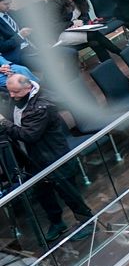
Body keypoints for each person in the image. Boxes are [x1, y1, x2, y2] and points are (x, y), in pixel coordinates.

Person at [5, 73, 95, 240]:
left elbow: (29, 135)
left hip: (53, 157)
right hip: (33, 159)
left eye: (15, 92)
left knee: (69, 192)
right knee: (43, 194)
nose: (12, 95)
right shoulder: (17, 98)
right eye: (10, 91)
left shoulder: (43, 105)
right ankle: (57, 223)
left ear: (28, 87)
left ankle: (87, 221)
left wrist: (4, 123)